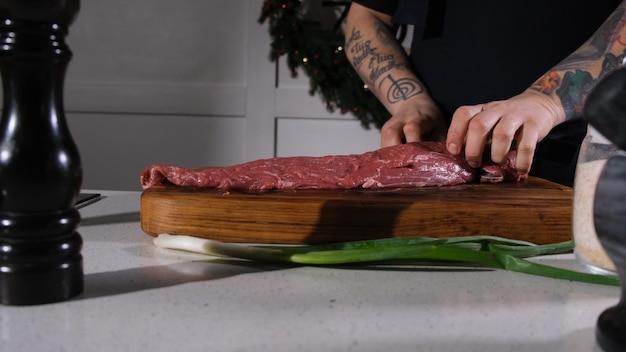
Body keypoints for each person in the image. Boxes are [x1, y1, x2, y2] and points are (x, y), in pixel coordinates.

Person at [345, 0, 626, 186]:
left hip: (585, 160)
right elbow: (367, 17)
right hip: (437, 156)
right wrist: (410, 101)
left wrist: (547, 101)